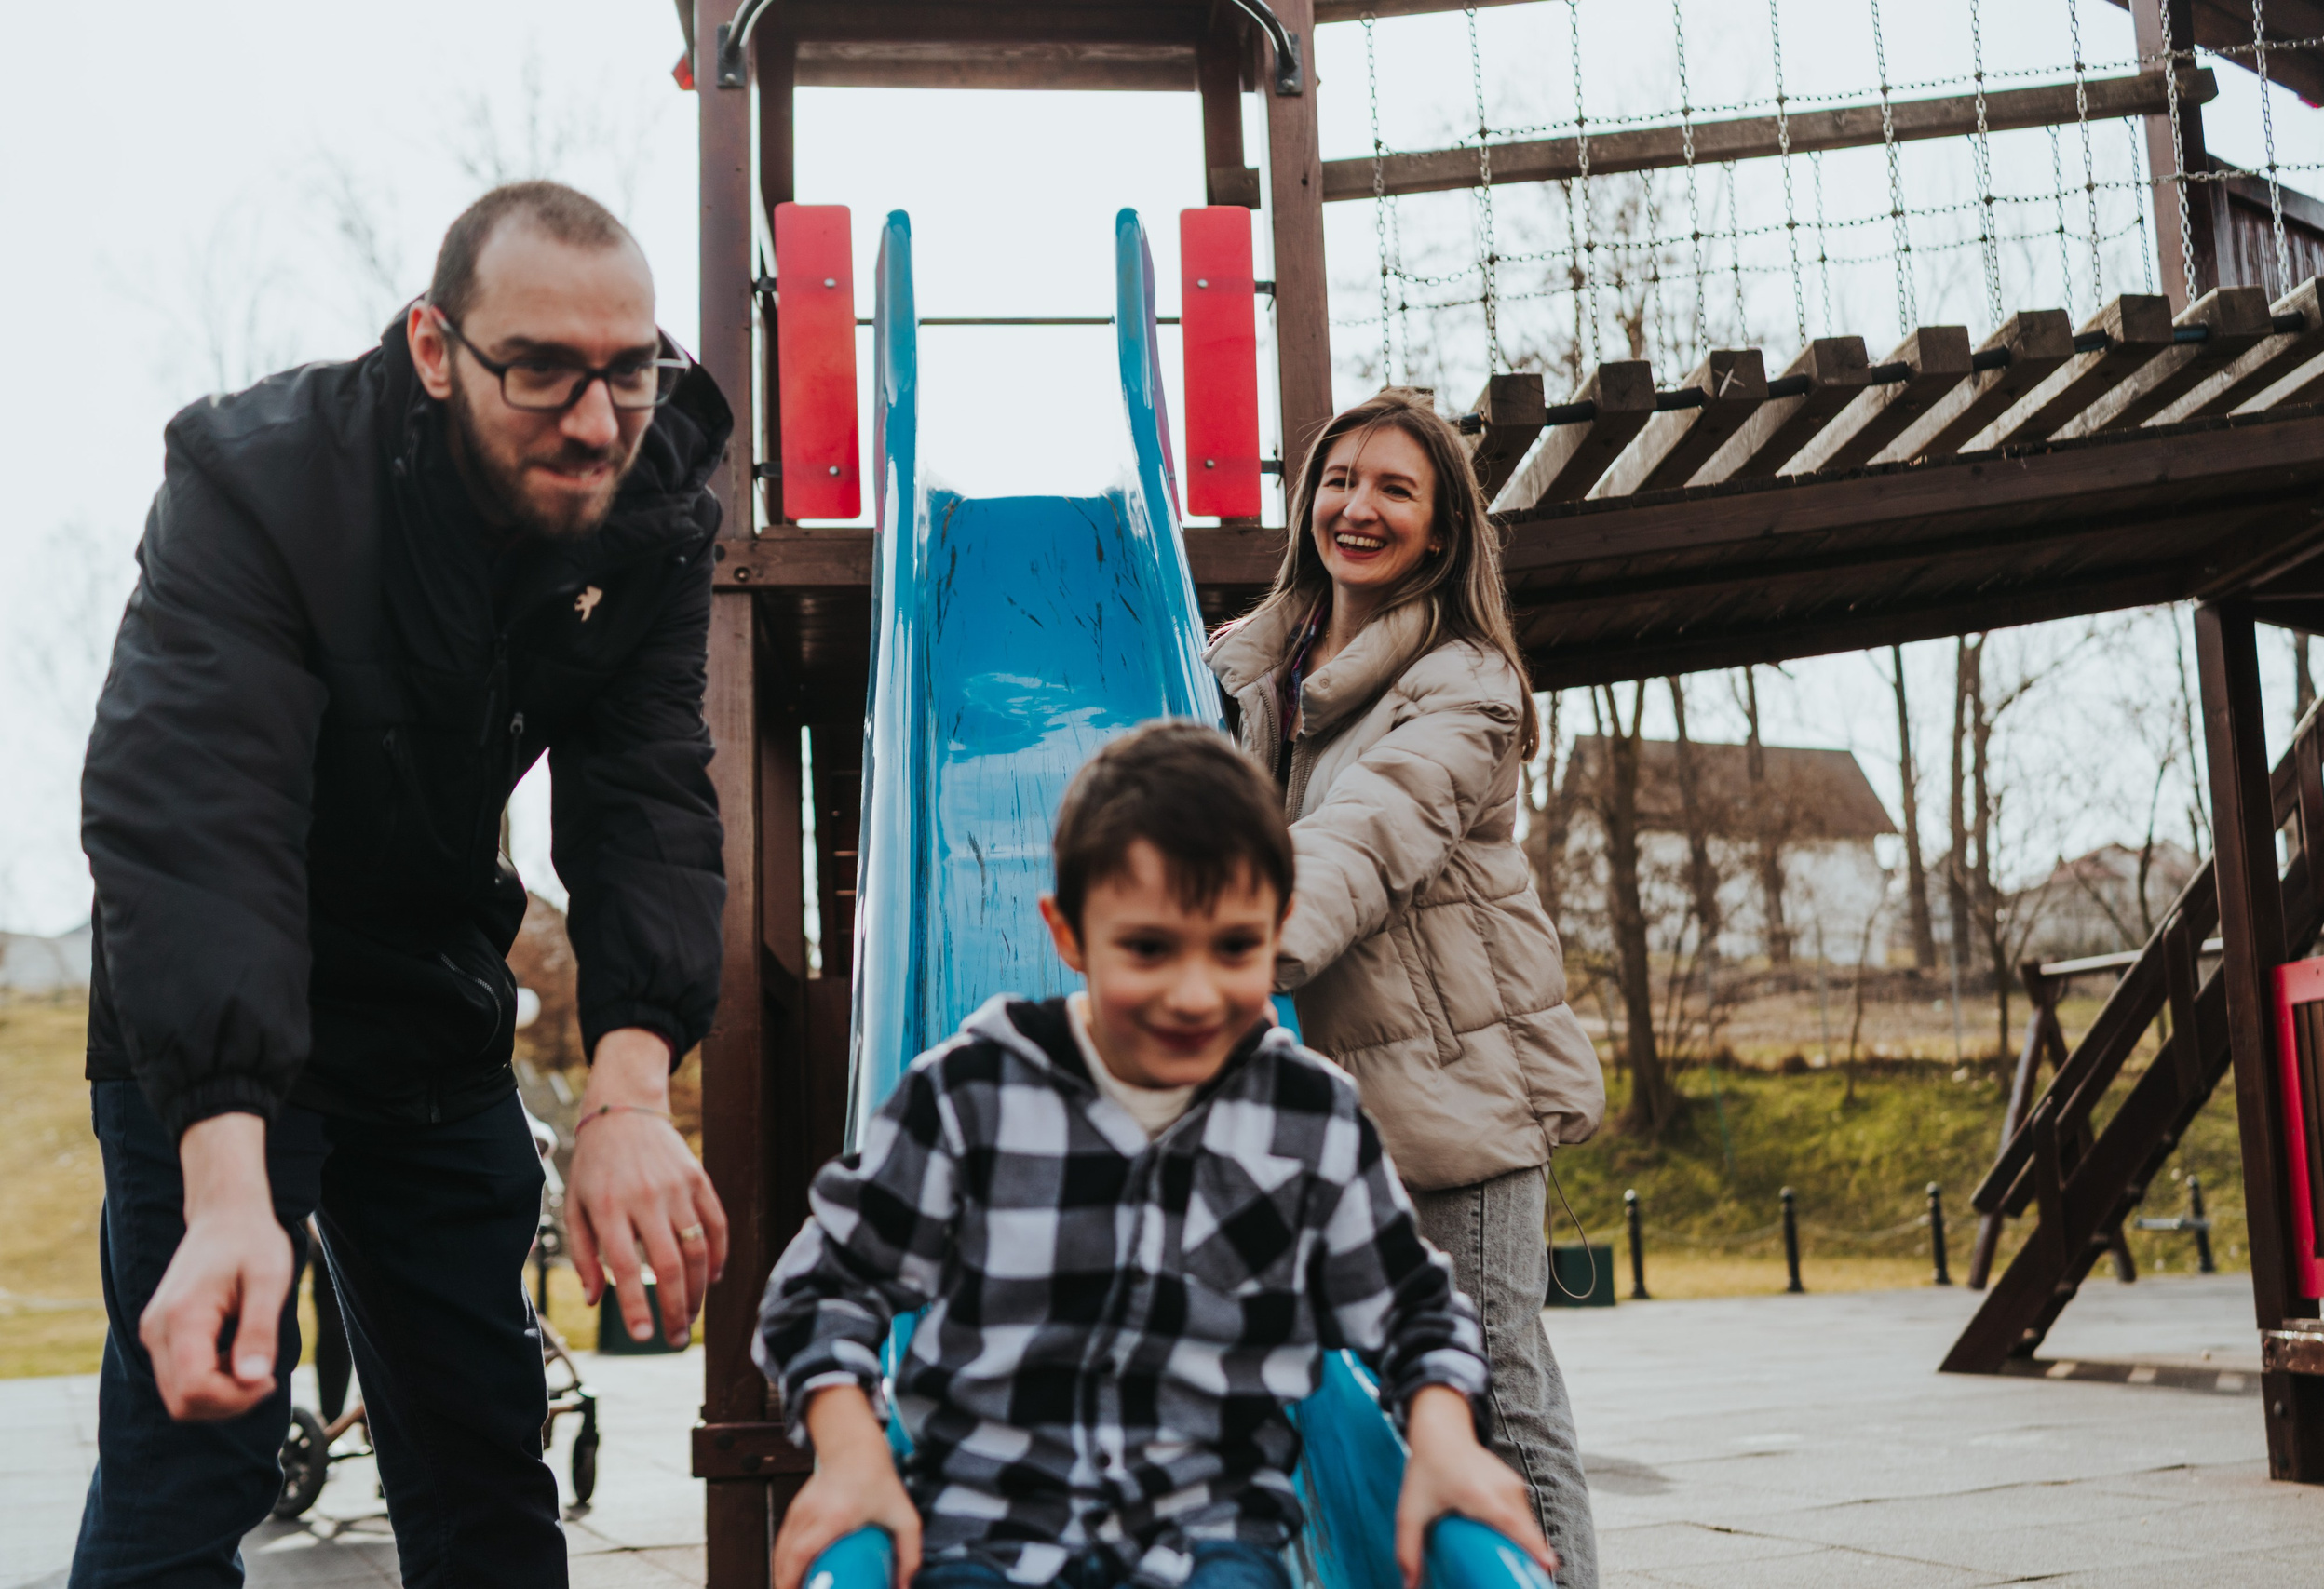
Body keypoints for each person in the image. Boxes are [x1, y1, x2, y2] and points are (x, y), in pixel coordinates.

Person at [74, 181, 732, 1589]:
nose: (596, 419)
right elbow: (195, 823)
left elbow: (644, 799)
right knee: (197, 1449)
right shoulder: (260, 482)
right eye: (542, 371)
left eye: (629, 370)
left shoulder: (652, 502)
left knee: (487, 1465)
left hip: (427, 1005)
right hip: (214, 1015)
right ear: (436, 348)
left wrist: (629, 1089)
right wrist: (229, 1178)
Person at [752, 721, 1557, 1589]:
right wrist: (849, 1453)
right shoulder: (971, 1098)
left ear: (1278, 925)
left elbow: (1416, 1311)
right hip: (987, 1529)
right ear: (1067, 933)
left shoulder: (1307, 1121)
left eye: (1235, 947)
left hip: (1207, 1537)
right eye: (1148, 948)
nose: (1195, 992)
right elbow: (823, 1287)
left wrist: (1441, 1437)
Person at [1203, 390, 1607, 1589]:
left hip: (1454, 1098)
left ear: (1437, 532)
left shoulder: (1464, 684)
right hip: (1322, 1101)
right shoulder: (1242, 670)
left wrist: (1225, 958)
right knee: (1372, 1406)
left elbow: (1366, 835)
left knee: (1489, 1391)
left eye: (1393, 489)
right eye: (1338, 481)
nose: (1356, 508)